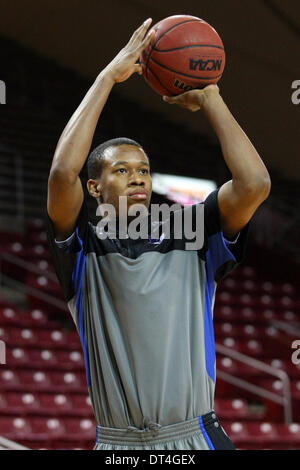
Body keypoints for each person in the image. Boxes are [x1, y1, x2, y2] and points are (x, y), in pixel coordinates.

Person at [46, 18, 271, 450]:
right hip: (117, 445)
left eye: (144, 171)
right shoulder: (81, 244)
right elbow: (61, 172)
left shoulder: (190, 229)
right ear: (94, 188)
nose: (138, 178)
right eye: (122, 170)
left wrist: (210, 97)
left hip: (193, 437)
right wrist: (107, 77)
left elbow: (254, 184)